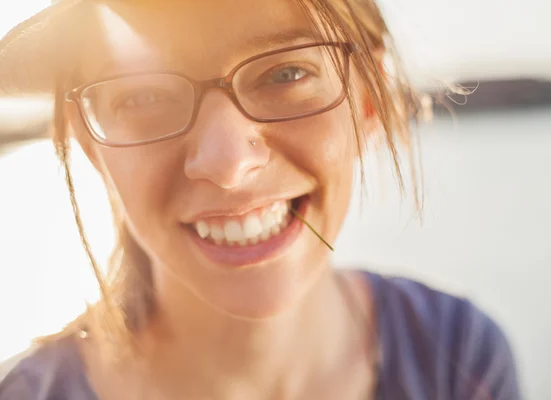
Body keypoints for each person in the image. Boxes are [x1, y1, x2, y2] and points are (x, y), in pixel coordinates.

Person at [0, 0, 521, 399]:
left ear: (367, 101)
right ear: (90, 143)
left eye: (286, 74)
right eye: (143, 97)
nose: (229, 166)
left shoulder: (457, 358)